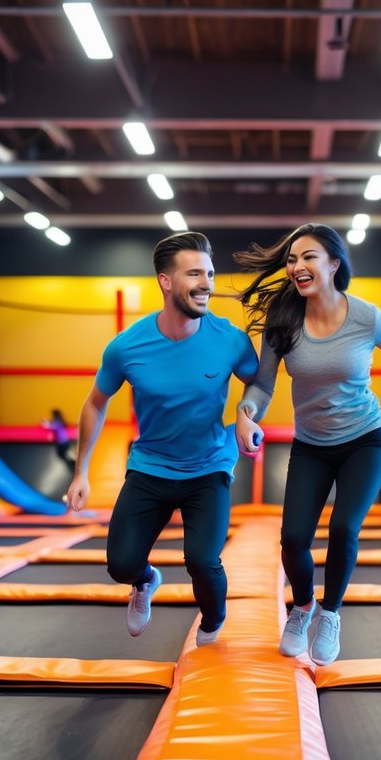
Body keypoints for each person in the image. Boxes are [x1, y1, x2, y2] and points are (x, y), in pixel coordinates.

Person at [234, 223, 381, 667]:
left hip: (365, 441)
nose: (297, 266)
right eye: (292, 259)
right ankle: (302, 607)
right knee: (294, 539)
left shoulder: (367, 317)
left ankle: (331, 614)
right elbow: (262, 385)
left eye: (308, 257)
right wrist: (246, 413)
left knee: (343, 529)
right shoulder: (284, 322)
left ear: (334, 265)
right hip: (311, 445)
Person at [65, 232, 258, 647]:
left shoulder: (229, 339)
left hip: (209, 466)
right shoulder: (127, 346)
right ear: (165, 282)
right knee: (120, 564)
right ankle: (145, 579)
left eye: (209, 273)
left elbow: (259, 384)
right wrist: (81, 472)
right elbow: (95, 403)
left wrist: (245, 415)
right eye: (194, 274)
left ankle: (212, 622)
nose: (206, 283)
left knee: (203, 561)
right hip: (150, 465)